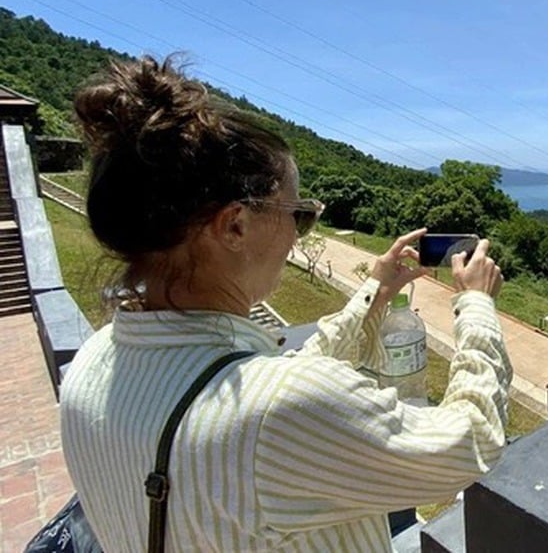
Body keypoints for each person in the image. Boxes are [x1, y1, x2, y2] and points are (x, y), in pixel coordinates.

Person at [59, 56, 512, 551]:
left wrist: (377, 291)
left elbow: (278, 385)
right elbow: (467, 444)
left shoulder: (92, 363)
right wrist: (476, 306)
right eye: (298, 214)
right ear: (235, 225)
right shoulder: (277, 414)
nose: (298, 236)